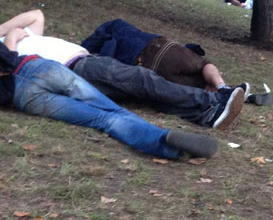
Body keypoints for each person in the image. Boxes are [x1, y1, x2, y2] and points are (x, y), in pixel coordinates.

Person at [0, 10, 247, 130]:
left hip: (79, 65)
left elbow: (36, 15)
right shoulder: (8, 48)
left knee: (142, 91)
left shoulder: (19, 38)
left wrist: (5, 32)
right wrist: (10, 41)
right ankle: (213, 100)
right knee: (141, 79)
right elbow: (11, 76)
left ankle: (206, 115)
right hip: (72, 67)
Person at [0, 41, 216, 159]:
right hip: (38, 67)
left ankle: (164, 144)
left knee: (102, 119)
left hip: (23, 95)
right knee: (113, 110)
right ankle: (164, 137)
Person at [81, 18, 270, 105]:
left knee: (175, 91)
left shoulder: (114, 26)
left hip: (144, 62)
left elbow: (90, 48)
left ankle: (227, 93)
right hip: (160, 49)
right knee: (200, 76)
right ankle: (225, 90)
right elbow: (206, 66)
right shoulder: (117, 26)